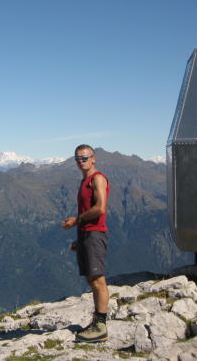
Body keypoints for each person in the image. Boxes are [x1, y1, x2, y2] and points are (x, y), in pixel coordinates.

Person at [61, 144, 110, 343]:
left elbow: (100, 208)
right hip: (87, 235)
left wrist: (76, 221)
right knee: (92, 278)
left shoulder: (97, 179)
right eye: (78, 159)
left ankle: (101, 326)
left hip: (95, 234)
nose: (81, 162)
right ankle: (97, 322)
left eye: (85, 158)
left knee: (98, 280)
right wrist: (80, 239)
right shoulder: (85, 181)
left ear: (93, 158)